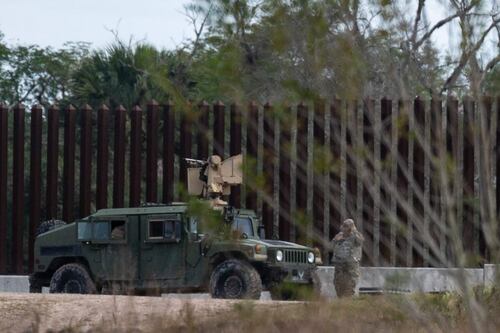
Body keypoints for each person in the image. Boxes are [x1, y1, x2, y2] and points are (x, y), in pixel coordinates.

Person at [331, 219, 364, 297]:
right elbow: (331, 246)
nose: (344, 228)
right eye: (343, 226)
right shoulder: (339, 235)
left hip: (351, 265)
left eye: (346, 226)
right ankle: (340, 299)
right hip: (339, 264)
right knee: (338, 283)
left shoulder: (355, 235)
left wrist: (354, 231)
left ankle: (348, 301)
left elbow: (360, 241)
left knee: (350, 284)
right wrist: (336, 240)